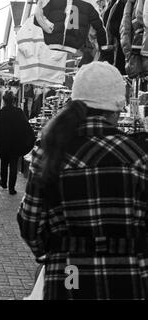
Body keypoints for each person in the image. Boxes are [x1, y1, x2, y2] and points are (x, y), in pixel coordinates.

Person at [18, 61, 148, 300]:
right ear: (116, 108)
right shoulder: (139, 156)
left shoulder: (50, 153)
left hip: (70, 272)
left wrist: (51, 252)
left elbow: (29, 223)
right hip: (127, 279)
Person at [0, 90, 35, 195]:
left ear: (4, 101)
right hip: (16, 143)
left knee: (4, 163)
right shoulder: (19, 112)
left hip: (3, 143)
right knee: (14, 165)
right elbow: (27, 127)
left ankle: (3, 182)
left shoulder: (1, 113)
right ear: (14, 101)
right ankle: (12, 188)